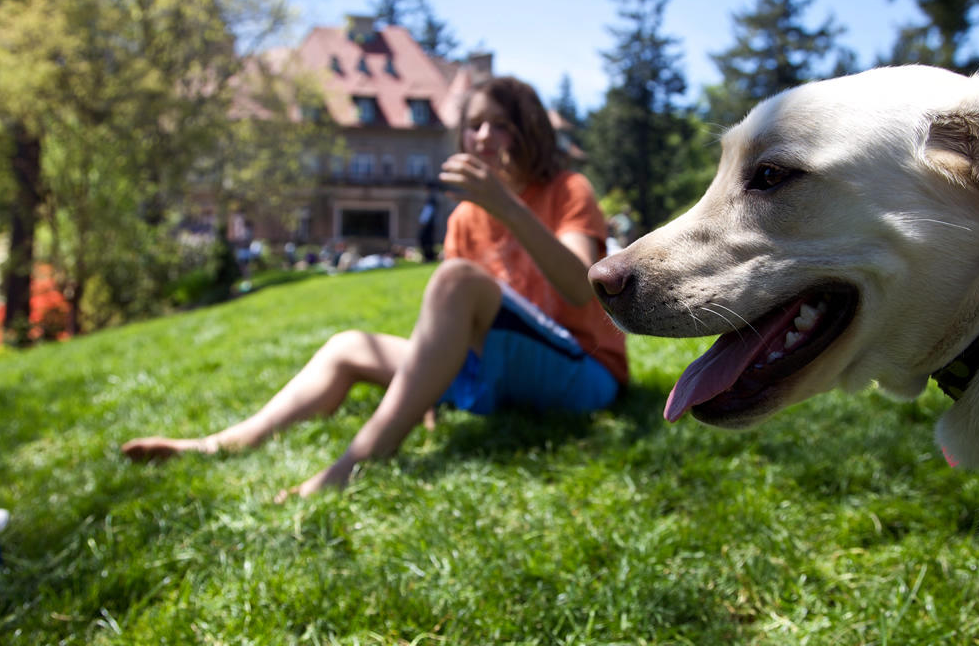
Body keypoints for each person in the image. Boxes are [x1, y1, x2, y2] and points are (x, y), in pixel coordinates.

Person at [121, 76, 628, 499]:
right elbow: (444, 323)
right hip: (494, 375)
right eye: (473, 125)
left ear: (529, 130)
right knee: (346, 347)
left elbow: (580, 288)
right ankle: (224, 442)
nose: (483, 136)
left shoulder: (567, 190)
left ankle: (354, 465)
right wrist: (424, 390)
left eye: (499, 123)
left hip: (580, 374)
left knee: (455, 278)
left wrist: (508, 207)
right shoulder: (465, 216)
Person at [417, 186, 438, 262]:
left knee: (426, 240)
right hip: (428, 224)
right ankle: (429, 257)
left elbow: (428, 213)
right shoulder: (430, 200)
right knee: (426, 241)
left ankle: (429, 257)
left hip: (428, 225)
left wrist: (423, 222)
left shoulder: (431, 200)